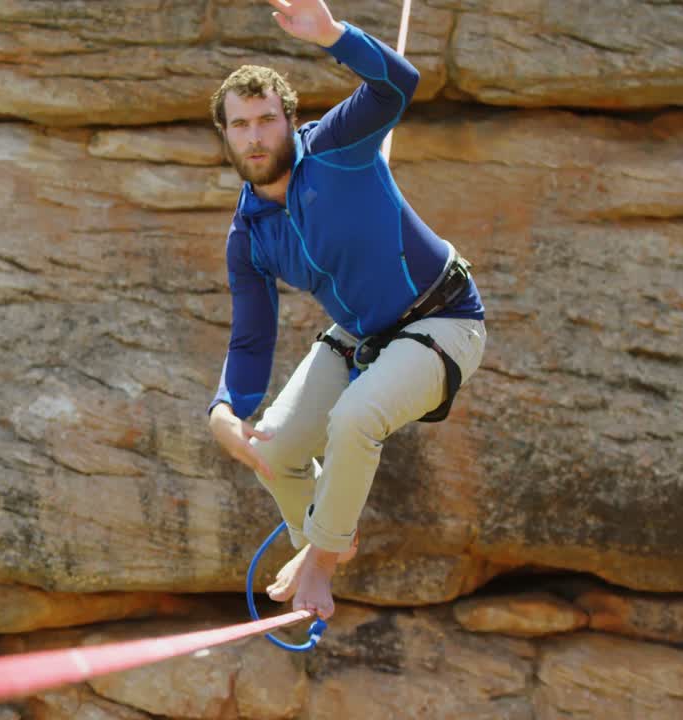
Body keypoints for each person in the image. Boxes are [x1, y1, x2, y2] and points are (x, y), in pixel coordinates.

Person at [206, 0, 487, 620]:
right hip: (361, 336)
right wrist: (226, 411)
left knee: (356, 417)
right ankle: (324, 540)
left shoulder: (337, 143)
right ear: (224, 135)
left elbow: (397, 84)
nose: (255, 136)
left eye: (265, 120)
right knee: (273, 448)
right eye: (240, 125)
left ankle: (320, 564)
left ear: (289, 120)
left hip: (444, 317)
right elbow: (252, 340)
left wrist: (332, 34)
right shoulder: (248, 237)